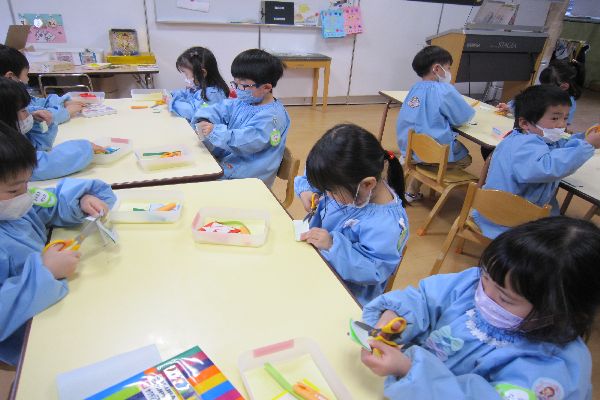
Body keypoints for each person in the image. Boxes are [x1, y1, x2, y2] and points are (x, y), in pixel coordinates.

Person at [361, 216, 600, 399]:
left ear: (560, 312)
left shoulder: (551, 372)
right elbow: (424, 299)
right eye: (484, 278)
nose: (484, 295)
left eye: (505, 299)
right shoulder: (484, 281)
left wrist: (409, 370)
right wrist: (394, 315)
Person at [0, 120, 116, 365]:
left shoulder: (12, 207)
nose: (25, 195)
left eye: (27, 184)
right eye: (14, 190)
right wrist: (45, 273)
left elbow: (48, 202)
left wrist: (82, 200)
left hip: (61, 312)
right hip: (32, 340)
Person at [294, 124, 409, 306]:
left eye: (331, 191)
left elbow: (373, 270)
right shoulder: (348, 180)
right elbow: (315, 176)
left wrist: (332, 245)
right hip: (316, 262)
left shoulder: (386, 225)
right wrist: (306, 191)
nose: (327, 194)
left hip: (347, 293)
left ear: (367, 184)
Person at [473, 84, 599, 239]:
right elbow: (548, 168)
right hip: (508, 223)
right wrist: (587, 145)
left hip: (496, 211)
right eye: (555, 118)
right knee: (574, 236)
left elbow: (561, 146)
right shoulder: (524, 146)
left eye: (565, 118)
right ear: (525, 123)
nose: (562, 125)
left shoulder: (530, 137)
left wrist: (584, 138)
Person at [192, 49, 290, 187]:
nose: (236, 89)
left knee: (195, 182)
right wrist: (204, 118)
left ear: (266, 87)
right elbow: (219, 108)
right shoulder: (243, 102)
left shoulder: (272, 117)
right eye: (235, 83)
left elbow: (247, 141)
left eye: (243, 86)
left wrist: (215, 131)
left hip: (248, 177)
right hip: (231, 164)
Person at [396, 45, 475, 202]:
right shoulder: (444, 90)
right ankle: (429, 168)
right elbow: (463, 117)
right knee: (466, 159)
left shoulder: (415, 88)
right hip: (433, 152)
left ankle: (412, 188)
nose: (449, 72)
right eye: (448, 68)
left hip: (409, 147)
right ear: (437, 69)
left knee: (430, 150)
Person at [0, 77, 102, 181]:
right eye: (23, 110)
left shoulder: (13, 132)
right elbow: (38, 165)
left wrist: (37, 125)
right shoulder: (5, 150)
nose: (29, 114)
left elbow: (39, 148)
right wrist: (84, 148)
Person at [0, 44, 83, 125]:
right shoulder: (8, 103)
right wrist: (67, 112)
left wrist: (62, 102)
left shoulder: (15, 93)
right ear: (10, 77)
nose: (28, 79)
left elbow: (37, 102)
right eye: (26, 75)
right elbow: (39, 118)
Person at [169, 46, 230, 122]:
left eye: (186, 74)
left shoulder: (212, 94)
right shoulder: (199, 87)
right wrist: (172, 94)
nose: (186, 78)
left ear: (202, 73)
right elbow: (187, 95)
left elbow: (193, 112)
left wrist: (173, 103)